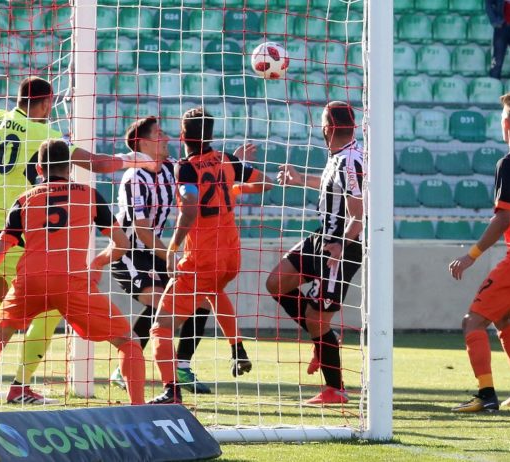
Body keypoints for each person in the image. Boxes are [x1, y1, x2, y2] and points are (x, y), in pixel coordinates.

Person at [0, 76, 152, 404]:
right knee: (48, 312)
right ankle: (21, 386)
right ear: (47, 103)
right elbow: (97, 164)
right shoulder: (45, 138)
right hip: (18, 240)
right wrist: (133, 159)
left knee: (4, 313)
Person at [149, 106, 272, 404]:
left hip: (202, 257)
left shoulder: (186, 167)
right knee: (214, 292)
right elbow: (265, 182)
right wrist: (230, 189)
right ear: (211, 134)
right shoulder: (227, 159)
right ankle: (237, 348)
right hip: (231, 255)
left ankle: (171, 390)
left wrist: (173, 248)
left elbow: (190, 207)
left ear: (182, 135)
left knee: (161, 326)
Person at [266, 101, 364, 405]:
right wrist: (300, 180)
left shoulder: (351, 161)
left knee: (317, 320)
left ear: (327, 128)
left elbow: (358, 214)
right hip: (322, 238)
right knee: (276, 283)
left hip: (341, 246)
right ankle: (322, 341)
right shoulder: (340, 156)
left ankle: (336, 389)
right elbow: (331, 187)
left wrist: (342, 244)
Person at [109, 116, 212, 394]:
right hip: (128, 252)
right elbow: (142, 231)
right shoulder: (134, 178)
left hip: (156, 250)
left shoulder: (170, 168)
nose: (166, 138)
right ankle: (123, 368)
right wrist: (171, 254)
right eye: (159, 133)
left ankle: (182, 366)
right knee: (159, 301)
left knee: (200, 301)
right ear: (143, 143)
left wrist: (229, 164)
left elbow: (201, 174)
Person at [449, 92, 510, 412]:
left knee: (472, 322)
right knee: (502, 318)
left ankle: (486, 395)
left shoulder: (509, 163)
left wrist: (471, 254)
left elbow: (504, 217)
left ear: (507, 123)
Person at [486, 0, 510, 79]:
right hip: (502, 27)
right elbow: (488, 3)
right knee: (497, 60)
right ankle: (494, 83)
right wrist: (494, 21)